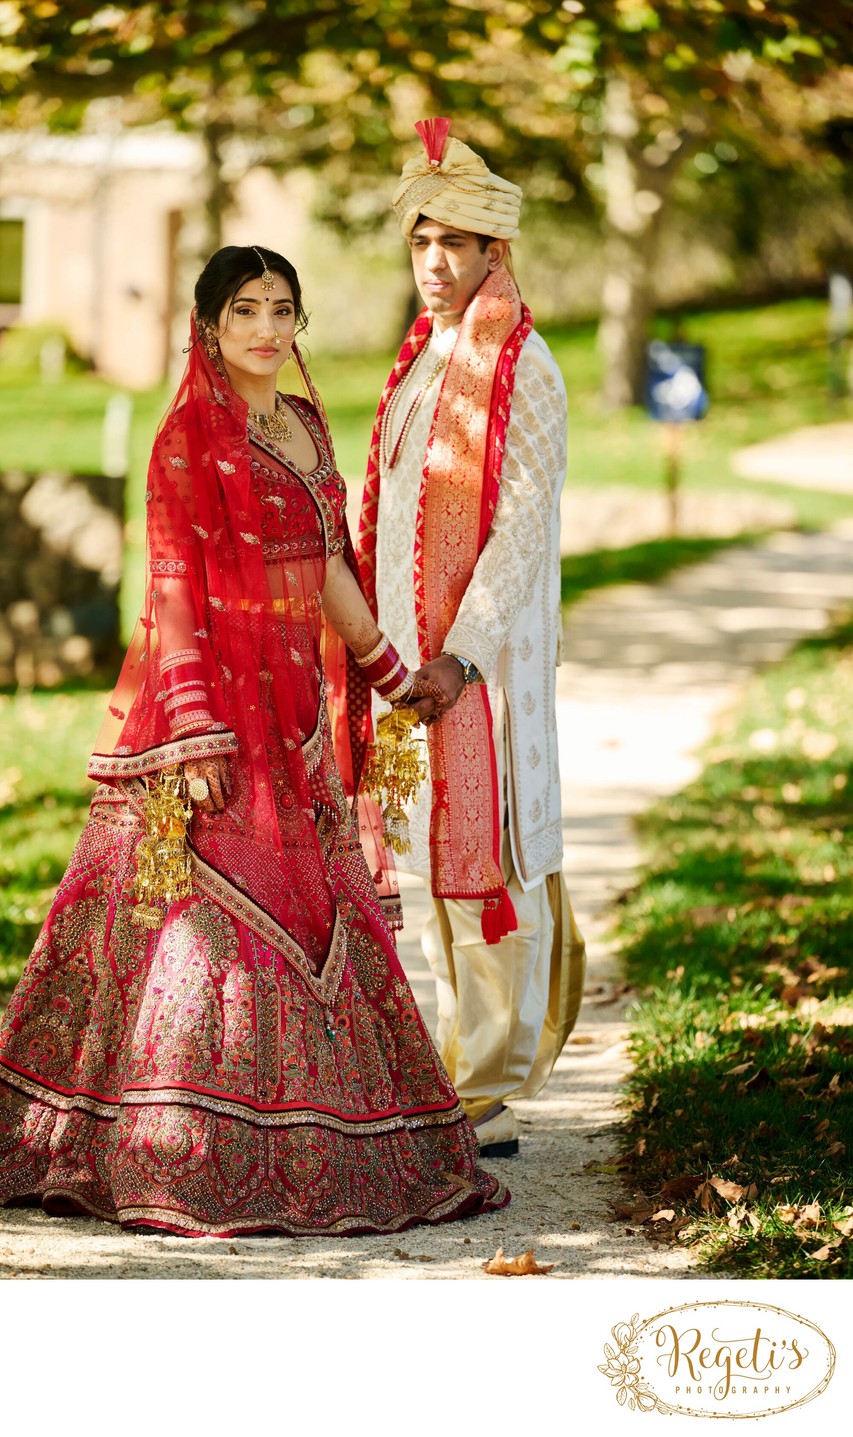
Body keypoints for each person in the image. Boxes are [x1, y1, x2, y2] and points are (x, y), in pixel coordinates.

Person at [0, 245, 508, 1237]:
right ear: (209, 328)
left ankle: (328, 1145)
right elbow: (173, 586)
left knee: (323, 915)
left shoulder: (305, 426)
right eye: (246, 312)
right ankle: (173, 1147)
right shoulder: (192, 436)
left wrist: (387, 670)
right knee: (205, 925)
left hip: (300, 716)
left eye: (283, 310)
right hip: (217, 718)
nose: (268, 330)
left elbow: (324, 561)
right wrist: (194, 729)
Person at [358, 120, 586, 1159]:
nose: (435, 264)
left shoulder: (523, 364)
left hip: (467, 672)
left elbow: (522, 527)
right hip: (401, 669)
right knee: (426, 862)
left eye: (455, 244)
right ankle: (455, 1067)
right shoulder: (421, 361)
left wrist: (465, 655)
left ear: (498, 253)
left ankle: (486, 1085)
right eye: (420, 243)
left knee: (484, 864)